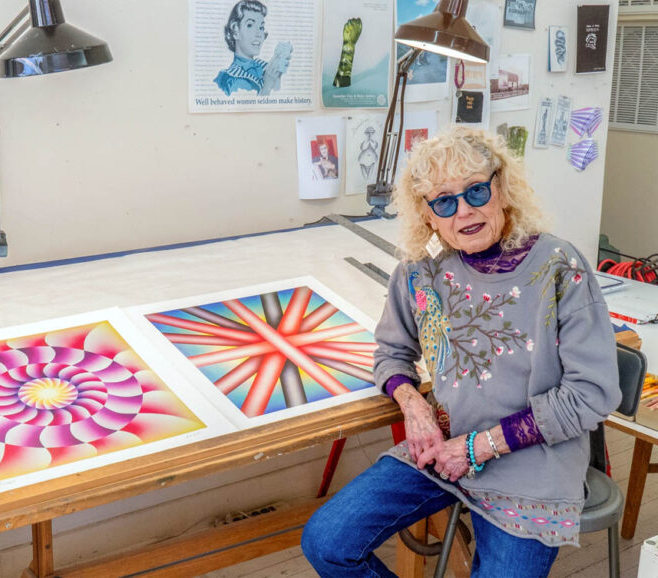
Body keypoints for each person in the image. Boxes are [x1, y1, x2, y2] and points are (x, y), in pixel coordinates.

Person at [301, 126, 621, 577]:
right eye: (444, 202)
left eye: (476, 191)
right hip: (443, 451)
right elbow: (391, 352)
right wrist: (412, 404)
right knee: (327, 541)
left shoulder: (558, 267)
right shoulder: (421, 272)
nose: (464, 211)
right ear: (428, 215)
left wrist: (478, 447)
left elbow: (591, 394)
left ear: (502, 188)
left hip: (532, 463)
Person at [214, 0, 292, 97]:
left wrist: (277, 78)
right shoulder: (230, 78)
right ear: (235, 31)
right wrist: (267, 87)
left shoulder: (265, 66)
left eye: (261, 27)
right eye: (250, 25)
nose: (259, 34)